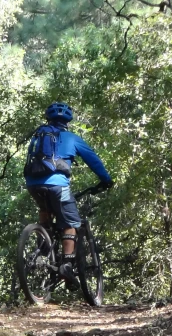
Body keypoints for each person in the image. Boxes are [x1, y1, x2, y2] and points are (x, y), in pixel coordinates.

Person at [24, 102, 113, 285]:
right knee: (71, 222)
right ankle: (66, 263)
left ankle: (41, 249)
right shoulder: (72, 138)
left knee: (45, 209)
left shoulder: (38, 137)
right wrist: (106, 180)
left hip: (33, 184)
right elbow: (94, 161)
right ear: (67, 121)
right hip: (59, 187)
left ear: (48, 118)